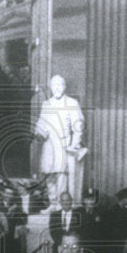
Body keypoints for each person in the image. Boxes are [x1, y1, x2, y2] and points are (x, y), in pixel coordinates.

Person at [35, 74, 85, 208]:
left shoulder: (72, 103)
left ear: (65, 87)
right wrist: (38, 132)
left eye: (60, 85)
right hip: (48, 145)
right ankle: (52, 203)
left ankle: (60, 205)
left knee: (61, 175)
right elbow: (42, 123)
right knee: (49, 175)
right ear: (50, 87)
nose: (57, 88)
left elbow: (78, 126)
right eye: (54, 85)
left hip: (64, 144)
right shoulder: (46, 104)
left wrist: (74, 145)